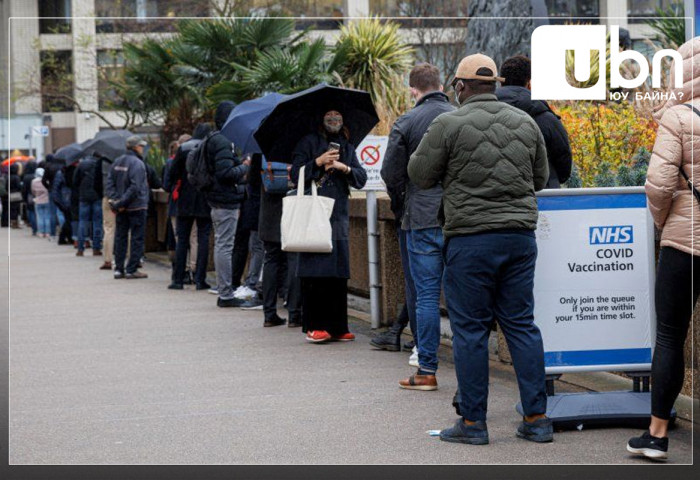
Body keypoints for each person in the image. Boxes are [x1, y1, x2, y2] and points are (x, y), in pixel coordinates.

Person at [408, 54, 550, 445]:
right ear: (496, 85)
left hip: (470, 239)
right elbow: (539, 176)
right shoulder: (525, 123)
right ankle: (537, 419)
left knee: (470, 331)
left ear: (460, 86)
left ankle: (473, 423)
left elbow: (418, 174)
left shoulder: (448, 123)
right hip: (520, 238)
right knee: (521, 324)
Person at [627, 37, 699, 461]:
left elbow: (658, 184)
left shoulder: (678, 116)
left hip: (684, 245)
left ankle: (656, 436)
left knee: (671, 335)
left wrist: (663, 221)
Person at [379, 63, 456, 389]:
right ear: (440, 84)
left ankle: (426, 368)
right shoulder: (457, 116)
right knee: (461, 295)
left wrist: (402, 205)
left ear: (413, 90)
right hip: (456, 217)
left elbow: (390, 173)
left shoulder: (407, 121)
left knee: (425, 296)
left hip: (420, 219)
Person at [291, 109, 368, 343]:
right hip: (315, 213)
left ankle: (338, 326)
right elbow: (296, 174)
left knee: (338, 271)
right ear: (321, 120)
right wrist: (318, 162)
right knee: (316, 271)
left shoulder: (347, 146)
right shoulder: (308, 142)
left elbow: (361, 177)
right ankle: (314, 325)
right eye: (329, 117)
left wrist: (344, 168)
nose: (334, 121)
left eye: (338, 117)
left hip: (339, 214)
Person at [496, 55, 572, 188]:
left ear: (501, 82)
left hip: (496, 193)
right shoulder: (546, 118)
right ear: (530, 83)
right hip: (544, 194)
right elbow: (563, 160)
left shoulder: (484, 115)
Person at [204, 101, 251, 307]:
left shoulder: (212, 138)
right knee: (224, 245)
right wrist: (244, 166)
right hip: (225, 201)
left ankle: (225, 290)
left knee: (222, 244)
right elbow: (225, 174)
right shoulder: (223, 141)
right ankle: (225, 294)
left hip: (217, 200)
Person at [259, 156, 302, 328]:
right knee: (294, 260)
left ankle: (269, 314)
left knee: (270, 260)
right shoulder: (296, 144)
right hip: (292, 208)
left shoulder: (263, 144)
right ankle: (294, 314)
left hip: (269, 212)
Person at [168, 124, 212, 290]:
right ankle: (200, 279)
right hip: (204, 198)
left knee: (182, 239)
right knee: (203, 239)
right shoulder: (210, 147)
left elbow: (173, 173)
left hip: (185, 199)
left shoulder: (184, 148)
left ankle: (178, 279)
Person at [106, 136, 151, 280]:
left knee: (120, 237)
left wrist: (117, 202)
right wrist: (123, 202)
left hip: (121, 208)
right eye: (141, 146)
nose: (142, 149)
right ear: (136, 147)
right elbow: (135, 187)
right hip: (136, 206)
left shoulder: (117, 162)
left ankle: (119, 269)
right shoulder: (137, 164)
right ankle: (131, 269)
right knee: (137, 238)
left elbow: (109, 183)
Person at [73, 154, 103, 257]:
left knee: (83, 222)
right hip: (97, 195)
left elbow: (75, 181)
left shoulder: (82, 164)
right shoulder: (100, 164)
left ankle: (80, 249)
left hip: (84, 196)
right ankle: (96, 248)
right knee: (97, 222)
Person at [31, 168, 51, 237]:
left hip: (38, 200)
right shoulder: (47, 180)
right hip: (47, 200)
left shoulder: (33, 181)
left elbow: (33, 191)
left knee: (40, 217)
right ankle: (47, 232)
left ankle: (41, 232)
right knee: (47, 217)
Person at [21, 160, 38, 235]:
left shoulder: (26, 177)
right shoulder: (36, 176)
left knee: (31, 212)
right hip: (38, 195)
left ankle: (34, 228)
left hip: (29, 196)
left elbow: (24, 189)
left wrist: (24, 198)